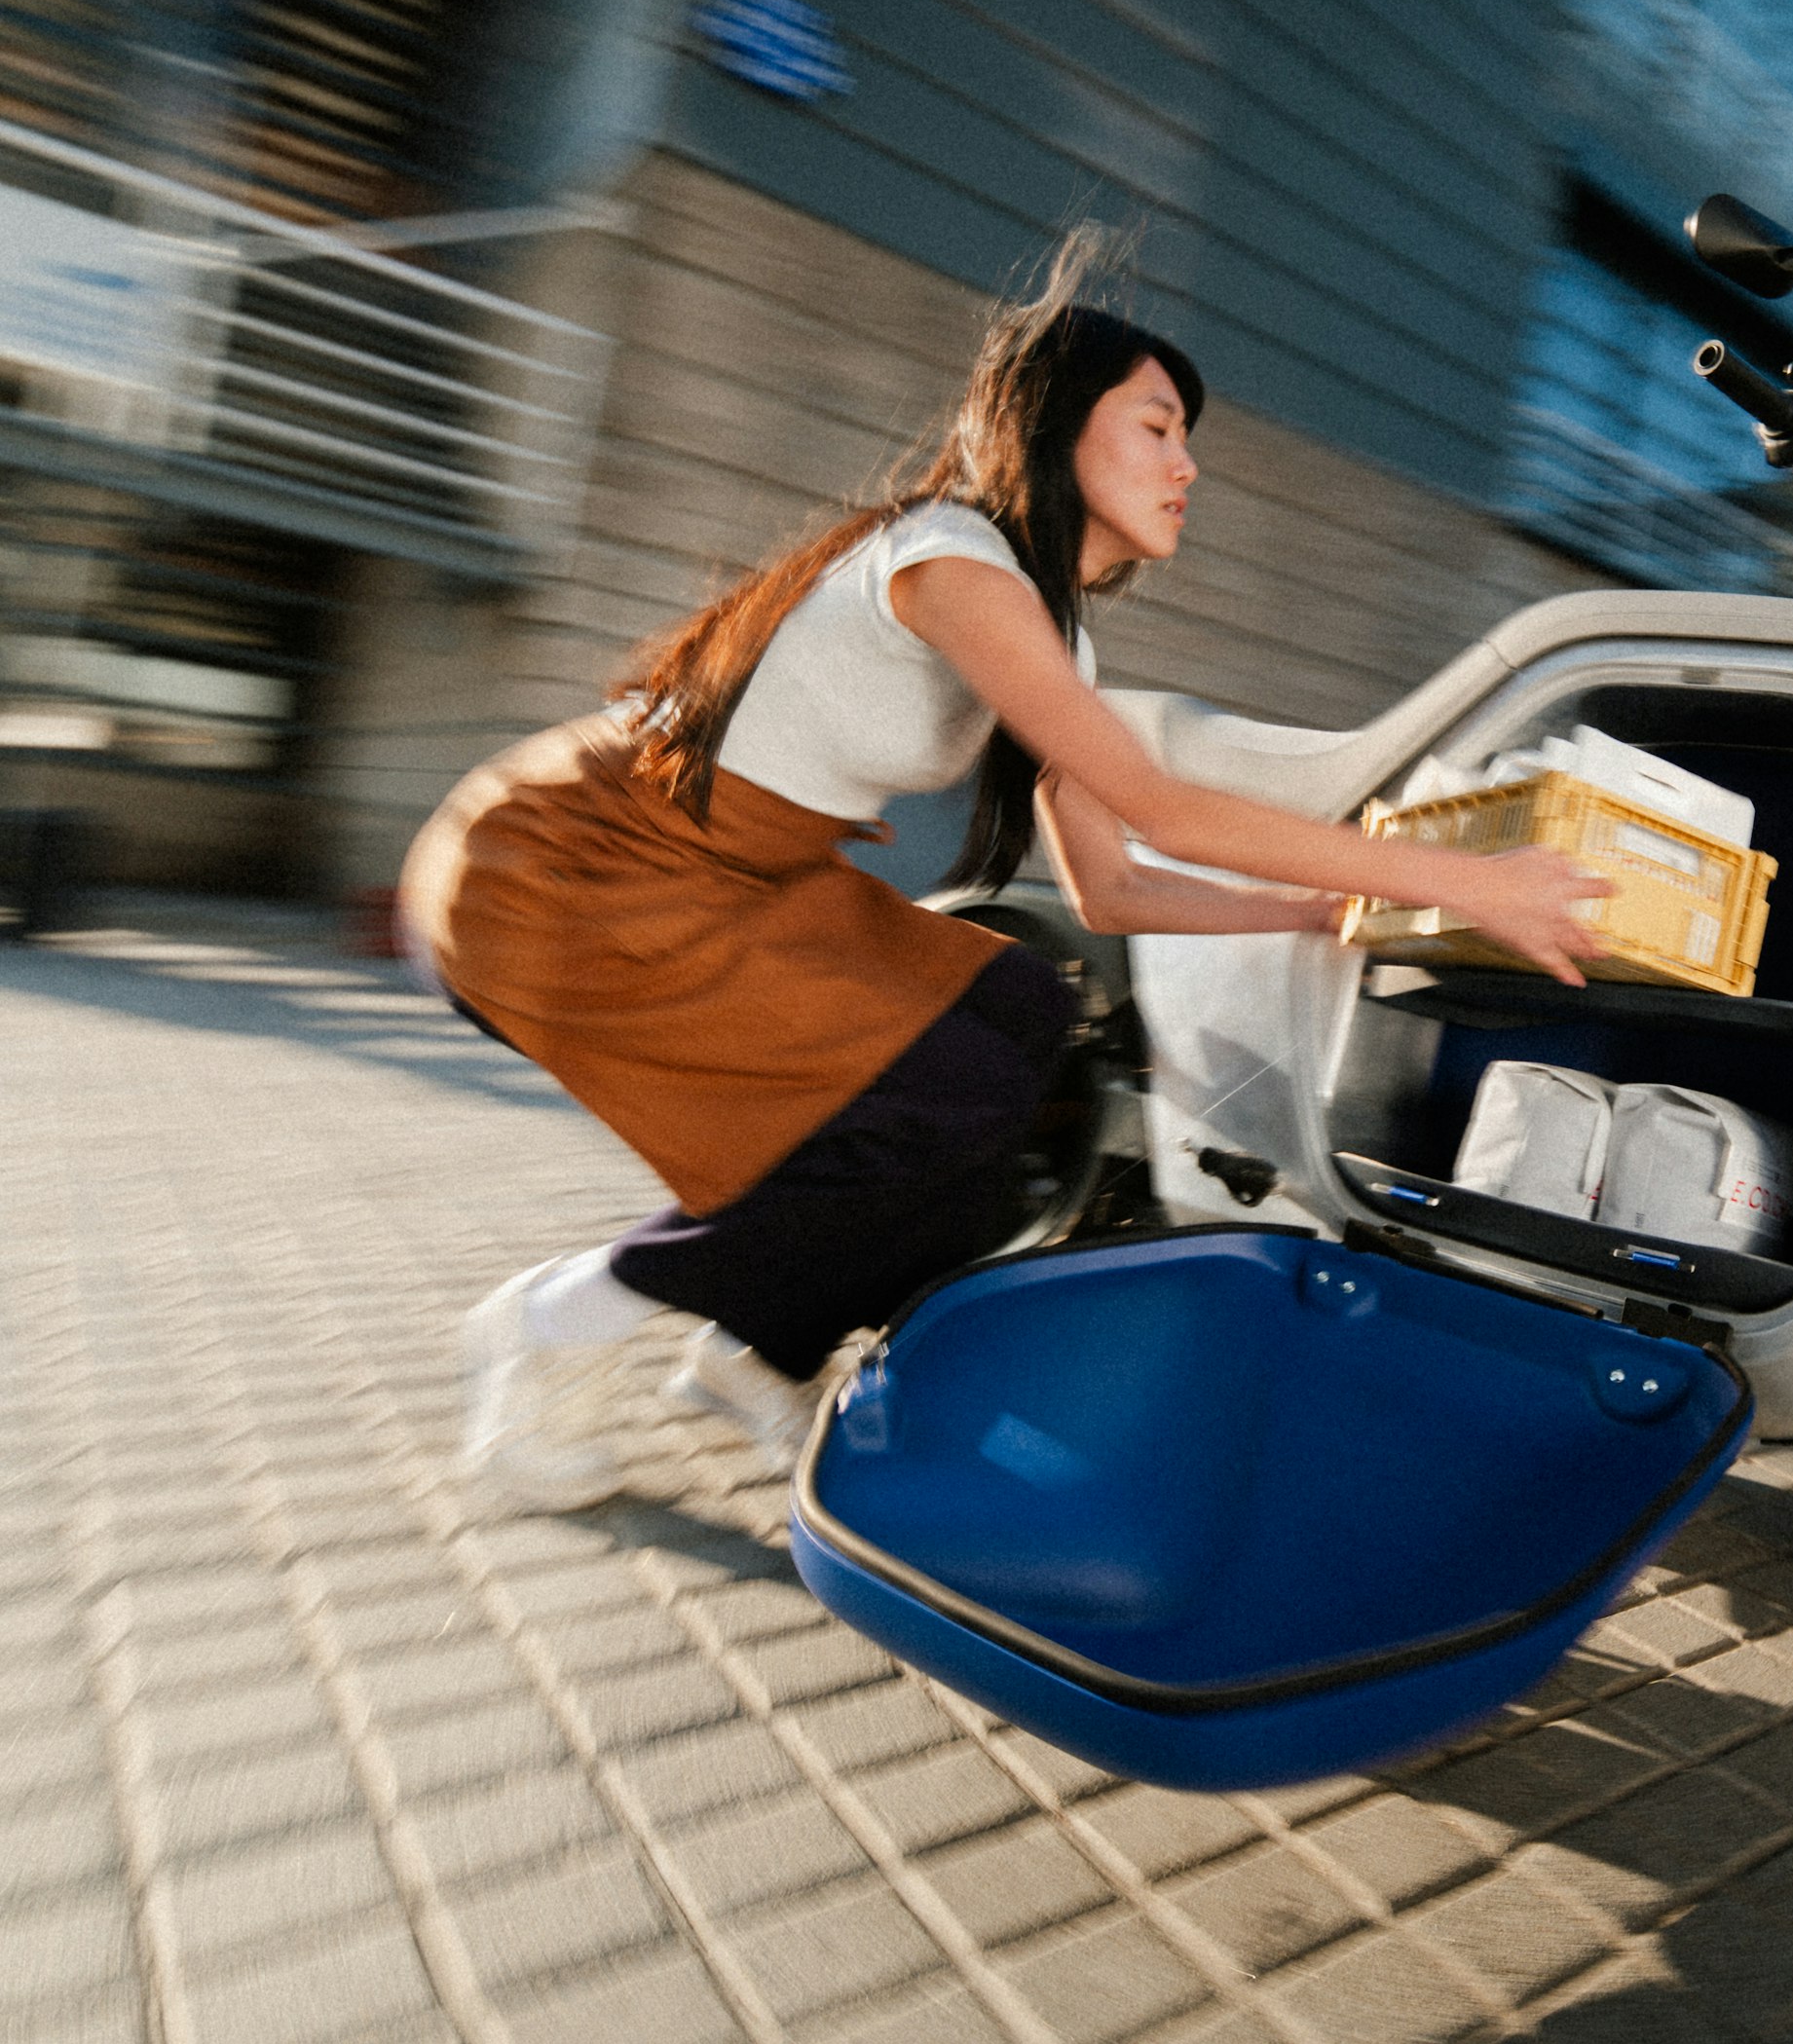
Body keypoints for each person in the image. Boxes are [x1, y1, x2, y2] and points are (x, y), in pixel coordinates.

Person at [401, 238, 1604, 1506]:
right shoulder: (951, 557)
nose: (1187, 464)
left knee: (1019, 1017)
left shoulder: (1042, 624)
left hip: (729, 885)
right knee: (941, 1090)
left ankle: (757, 1355)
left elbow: (1114, 891)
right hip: (571, 873)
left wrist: (1323, 908)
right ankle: (549, 1321)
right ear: (1054, 427)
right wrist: (1465, 878)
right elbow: (1161, 805)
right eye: (1156, 426)